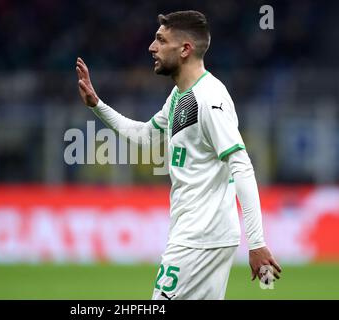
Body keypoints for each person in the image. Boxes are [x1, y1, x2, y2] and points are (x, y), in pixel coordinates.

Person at [76, 10, 281, 300]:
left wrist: (257, 243)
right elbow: (146, 136)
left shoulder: (210, 99)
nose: (151, 47)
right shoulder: (180, 96)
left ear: (185, 49)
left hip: (198, 237)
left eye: (160, 40)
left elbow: (242, 166)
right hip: (205, 235)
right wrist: (97, 105)